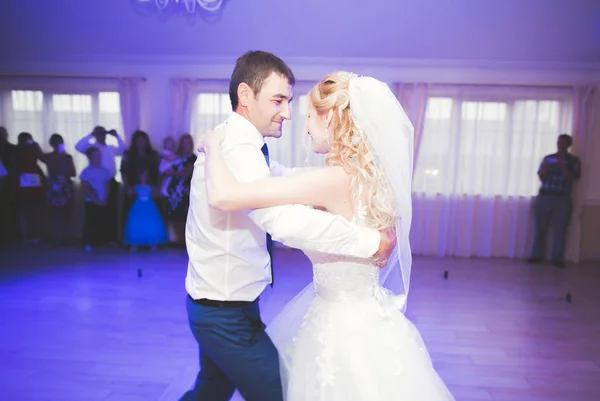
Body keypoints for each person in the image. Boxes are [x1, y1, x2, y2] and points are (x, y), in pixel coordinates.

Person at [200, 72, 455, 400]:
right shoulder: (370, 177)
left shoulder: (331, 180)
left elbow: (228, 196)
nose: (304, 127)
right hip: (371, 318)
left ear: (331, 116)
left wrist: (211, 146)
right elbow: (280, 175)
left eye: (308, 116)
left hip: (340, 328)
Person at [180, 52, 396, 401]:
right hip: (224, 313)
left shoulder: (243, 145)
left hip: (223, 302)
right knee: (278, 393)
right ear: (246, 95)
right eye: (278, 100)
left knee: (210, 390)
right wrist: (369, 241)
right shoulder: (236, 149)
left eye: (291, 102)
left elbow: (278, 177)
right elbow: (280, 219)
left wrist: (328, 179)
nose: (289, 112)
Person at [528, 134, 581, 268]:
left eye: (563, 143)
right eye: (558, 143)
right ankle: (536, 256)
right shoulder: (548, 158)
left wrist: (563, 166)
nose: (560, 145)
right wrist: (546, 166)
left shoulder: (573, 161)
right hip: (544, 196)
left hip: (562, 199)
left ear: (569, 145)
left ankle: (557, 259)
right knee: (540, 228)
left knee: (560, 229)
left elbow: (572, 178)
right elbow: (541, 177)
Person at [75, 126, 125, 245]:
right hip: (94, 182)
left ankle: (110, 239)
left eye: (103, 133)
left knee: (111, 212)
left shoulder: (111, 148)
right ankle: (93, 240)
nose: (102, 135)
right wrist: (91, 135)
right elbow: (78, 146)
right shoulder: (92, 148)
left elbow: (122, 149)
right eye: (99, 133)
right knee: (93, 215)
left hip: (110, 181)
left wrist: (116, 136)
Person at [40, 133, 76, 245]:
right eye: (55, 143)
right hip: (53, 188)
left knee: (66, 213)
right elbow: (40, 156)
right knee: (53, 213)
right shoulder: (48, 157)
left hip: (65, 188)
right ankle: (54, 237)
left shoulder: (68, 157)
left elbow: (73, 173)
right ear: (51, 144)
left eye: (59, 143)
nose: (57, 145)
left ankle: (65, 237)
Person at [123, 169, 168, 251]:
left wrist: (162, 181)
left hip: (149, 206)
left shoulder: (150, 187)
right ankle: (134, 244)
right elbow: (129, 193)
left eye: (145, 176)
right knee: (137, 223)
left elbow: (158, 193)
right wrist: (127, 186)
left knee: (150, 223)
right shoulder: (136, 187)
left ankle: (152, 243)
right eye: (141, 176)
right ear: (139, 177)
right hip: (138, 206)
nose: (143, 177)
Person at [80, 147, 112, 251]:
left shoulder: (104, 171)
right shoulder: (86, 172)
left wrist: (106, 198)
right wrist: (95, 199)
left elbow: (107, 185)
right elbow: (85, 188)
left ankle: (101, 241)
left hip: (103, 201)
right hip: (91, 201)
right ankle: (88, 242)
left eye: (99, 155)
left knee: (102, 221)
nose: (97, 157)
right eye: (95, 155)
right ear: (89, 157)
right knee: (90, 222)